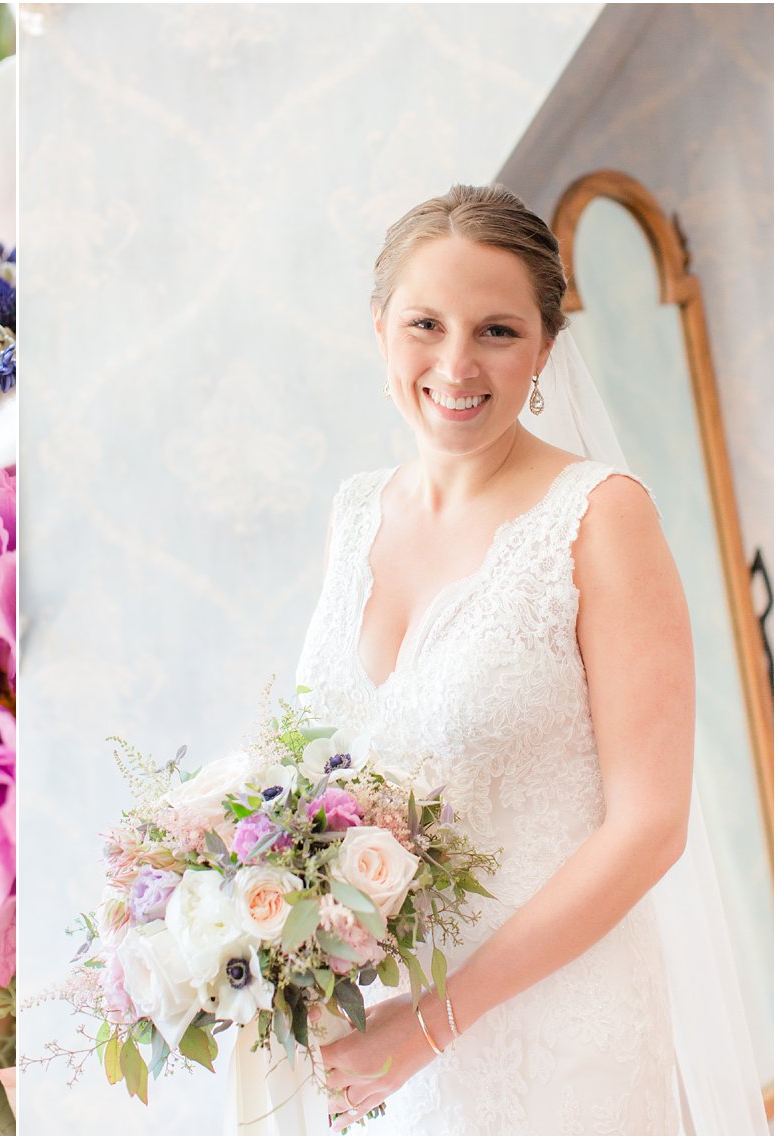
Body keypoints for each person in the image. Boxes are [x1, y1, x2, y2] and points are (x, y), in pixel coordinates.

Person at [288, 183, 705, 1135]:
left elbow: (650, 828)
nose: (456, 363)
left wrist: (435, 1022)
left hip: (560, 1039)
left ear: (547, 348)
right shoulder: (357, 513)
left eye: (498, 330)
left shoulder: (601, 516)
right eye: (425, 323)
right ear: (380, 331)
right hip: (385, 1044)